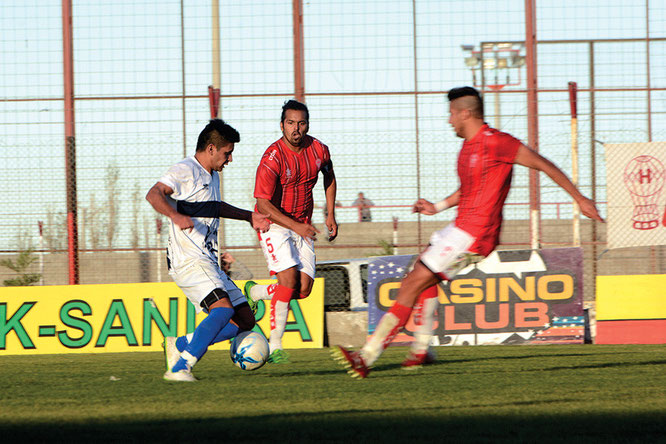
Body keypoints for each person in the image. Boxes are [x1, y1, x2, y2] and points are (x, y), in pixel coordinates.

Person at [334, 86, 604, 378]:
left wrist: (579, 198)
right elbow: (470, 189)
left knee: (411, 284)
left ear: (465, 113)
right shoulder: (467, 149)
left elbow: (544, 165)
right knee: (419, 275)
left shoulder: (498, 143)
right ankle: (421, 349)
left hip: (474, 234)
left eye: (451, 114)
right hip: (459, 228)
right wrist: (436, 207)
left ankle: (366, 357)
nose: (449, 120)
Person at [146, 119, 270, 382]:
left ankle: (181, 344)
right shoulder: (186, 169)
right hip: (189, 261)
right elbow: (154, 194)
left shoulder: (211, 176)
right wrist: (174, 216)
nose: (230, 159)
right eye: (227, 152)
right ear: (211, 149)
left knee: (246, 319)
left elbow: (216, 206)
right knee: (222, 310)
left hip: (208, 261)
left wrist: (249, 216)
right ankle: (180, 367)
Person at [243, 99, 339, 364]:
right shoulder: (272, 157)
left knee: (303, 289)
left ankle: (257, 293)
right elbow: (262, 203)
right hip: (272, 223)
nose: (296, 128)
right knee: (287, 280)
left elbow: (329, 177)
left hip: (302, 225)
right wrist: (295, 225)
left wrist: (330, 213)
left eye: (301, 123)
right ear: (282, 125)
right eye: (290, 123)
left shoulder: (319, 150)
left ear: (307, 124)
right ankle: (275, 347)